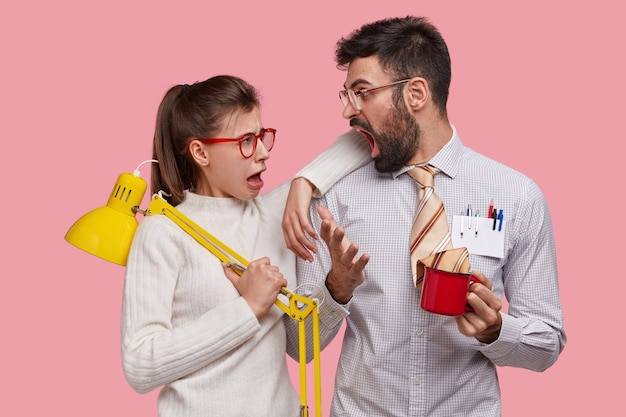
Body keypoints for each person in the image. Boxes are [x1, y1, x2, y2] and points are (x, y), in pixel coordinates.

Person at [282, 16, 566, 417]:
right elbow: (300, 345)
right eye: (345, 95)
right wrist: (337, 288)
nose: (349, 111)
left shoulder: (517, 196)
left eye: (362, 92)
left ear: (415, 93)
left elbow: (547, 344)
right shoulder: (332, 196)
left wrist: (496, 331)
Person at [121, 75, 370, 417]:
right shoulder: (162, 234)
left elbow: (359, 142)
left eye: (263, 136)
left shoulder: (276, 215)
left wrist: (303, 184)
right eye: (247, 141)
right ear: (200, 152)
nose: (264, 153)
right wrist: (247, 308)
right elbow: (139, 365)